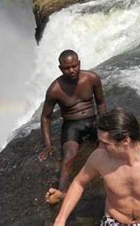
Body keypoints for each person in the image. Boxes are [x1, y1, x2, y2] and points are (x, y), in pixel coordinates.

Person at [53, 107, 140, 226]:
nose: (99, 147)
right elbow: (78, 183)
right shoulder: (99, 157)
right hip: (113, 221)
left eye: (105, 143)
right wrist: (60, 219)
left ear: (125, 140)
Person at [38, 49, 107, 204]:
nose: (71, 70)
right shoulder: (55, 89)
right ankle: (62, 191)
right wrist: (47, 145)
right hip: (72, 124)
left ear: (79, 63)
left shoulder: (92, 78)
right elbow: (45, 117)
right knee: (69, 154)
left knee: (106, 145)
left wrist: (103, 125)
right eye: (67, 68)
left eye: (74, 66)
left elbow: (101, 103)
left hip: (93, 120)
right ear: (60, 68)